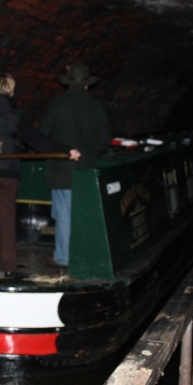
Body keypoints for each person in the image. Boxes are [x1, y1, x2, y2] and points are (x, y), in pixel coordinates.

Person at [0, 72, 80, 277]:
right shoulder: (17, 116)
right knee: (7, 220)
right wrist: (66, 150)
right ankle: (8, 268)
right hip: (7, 174)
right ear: (11, 91)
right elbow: (37, 141)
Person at [40, 63, 111, 268]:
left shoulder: (56, 104)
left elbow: (43, 135)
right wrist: (89, 154)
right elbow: (104, 140)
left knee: (63, 215)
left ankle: (63, 257)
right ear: (87, 84)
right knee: (85, 214)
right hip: (87, 169)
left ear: (68, 82)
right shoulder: (97, 106)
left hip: (61, 169)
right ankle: (85, 254)